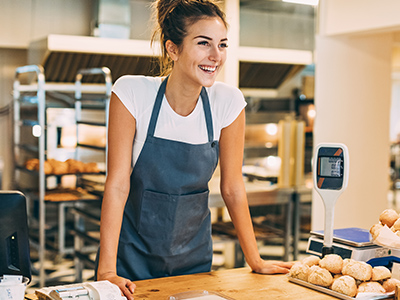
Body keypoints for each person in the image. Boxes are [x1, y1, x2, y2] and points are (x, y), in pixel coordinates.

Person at [96, 0, 293, 298]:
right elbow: (117, 184)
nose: (216, 56)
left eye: (223, 45)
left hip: (195, 260)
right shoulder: (132, 93)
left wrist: (255, 259)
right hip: (131, 261)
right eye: (204, 43)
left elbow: (233, 187)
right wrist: (107, 271)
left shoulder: (228, 103)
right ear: (173, 48)